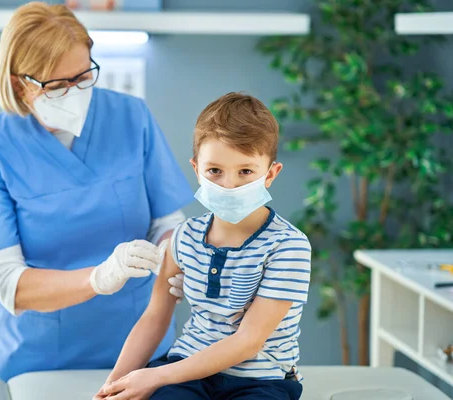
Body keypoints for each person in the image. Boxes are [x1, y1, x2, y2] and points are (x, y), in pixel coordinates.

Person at [0, 2, 191, 382]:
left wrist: (173, 252)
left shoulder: (131, 118)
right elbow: (9, 281)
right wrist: (99, 277)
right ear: (21, 83)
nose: (75, 91)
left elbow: (166, 220)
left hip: (140, 349)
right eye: (57, 85)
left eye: (84, 76)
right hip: (38, 360)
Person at [95, 93, 312, 400]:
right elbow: (155, 317)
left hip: (261, 379)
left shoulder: (288, 246)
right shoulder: (183, 237)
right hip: (185, 371)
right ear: (196, 169)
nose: (229, 185)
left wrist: (156, 376)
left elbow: (248, 341)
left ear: (271, 174)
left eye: (246, 171)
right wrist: (114, 386)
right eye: (215, 171)